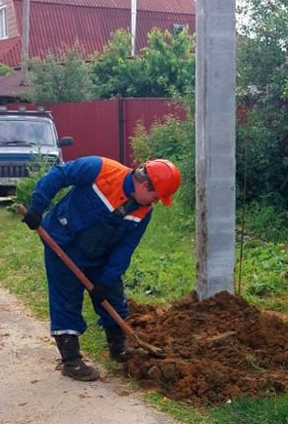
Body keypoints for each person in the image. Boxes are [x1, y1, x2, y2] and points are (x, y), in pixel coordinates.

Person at [21, 156, 181, 381]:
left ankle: (118, 349)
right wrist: (37, 206)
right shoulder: (101, 169)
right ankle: (71, 361)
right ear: (145, 185)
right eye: (156, 196)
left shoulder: (144, 212)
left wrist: (107, 280)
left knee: (113, 297)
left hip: (100, 257)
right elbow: (59, 175)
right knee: (66, 300)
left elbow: (125, 248)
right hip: (63, 243)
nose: (155, 202)